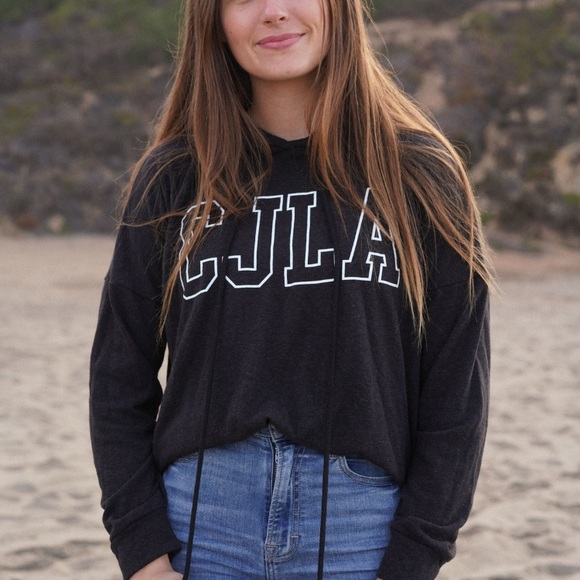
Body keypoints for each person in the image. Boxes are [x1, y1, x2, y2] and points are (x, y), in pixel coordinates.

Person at [89, 0, 493, 579]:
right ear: (214, 20)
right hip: (201, 523)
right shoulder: (174, 177)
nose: (275, 12)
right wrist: (142, 552)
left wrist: (416, 556)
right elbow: (117, 375)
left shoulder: (419, 173)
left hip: (362, 528)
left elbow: (458, 391)